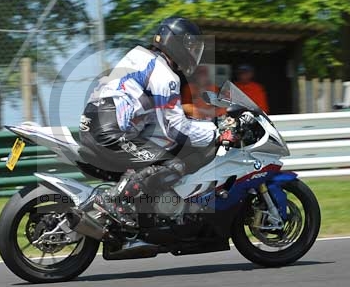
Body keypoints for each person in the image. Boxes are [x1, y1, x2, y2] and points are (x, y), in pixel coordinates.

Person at [78, 17, 235, 229]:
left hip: (98, 122)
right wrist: (216, 130)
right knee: (172, 163)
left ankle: (143, 213)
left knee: (160, 152)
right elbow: (174, 127)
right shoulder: (164, 74)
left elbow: (159, 120)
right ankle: (113, 202)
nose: (194, 53)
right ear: (176, 43)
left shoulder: (142, 57)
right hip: (110, 129)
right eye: (191, 46)